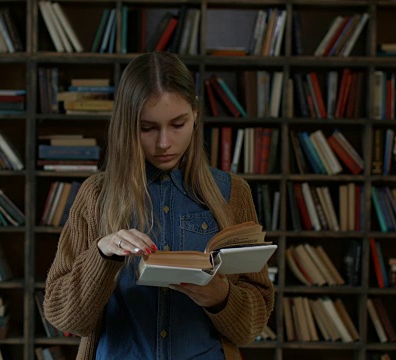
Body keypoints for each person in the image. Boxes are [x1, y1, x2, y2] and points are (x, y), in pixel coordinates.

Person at [43, 52, 274, 360]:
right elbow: (64, 318)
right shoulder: (96, 196)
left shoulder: (233, 193)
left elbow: (251, 327)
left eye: (177, 124)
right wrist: (102, 254)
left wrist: (222, 298)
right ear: (127, 125)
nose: (164, 142)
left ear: (195, 114)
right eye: (147, 128)